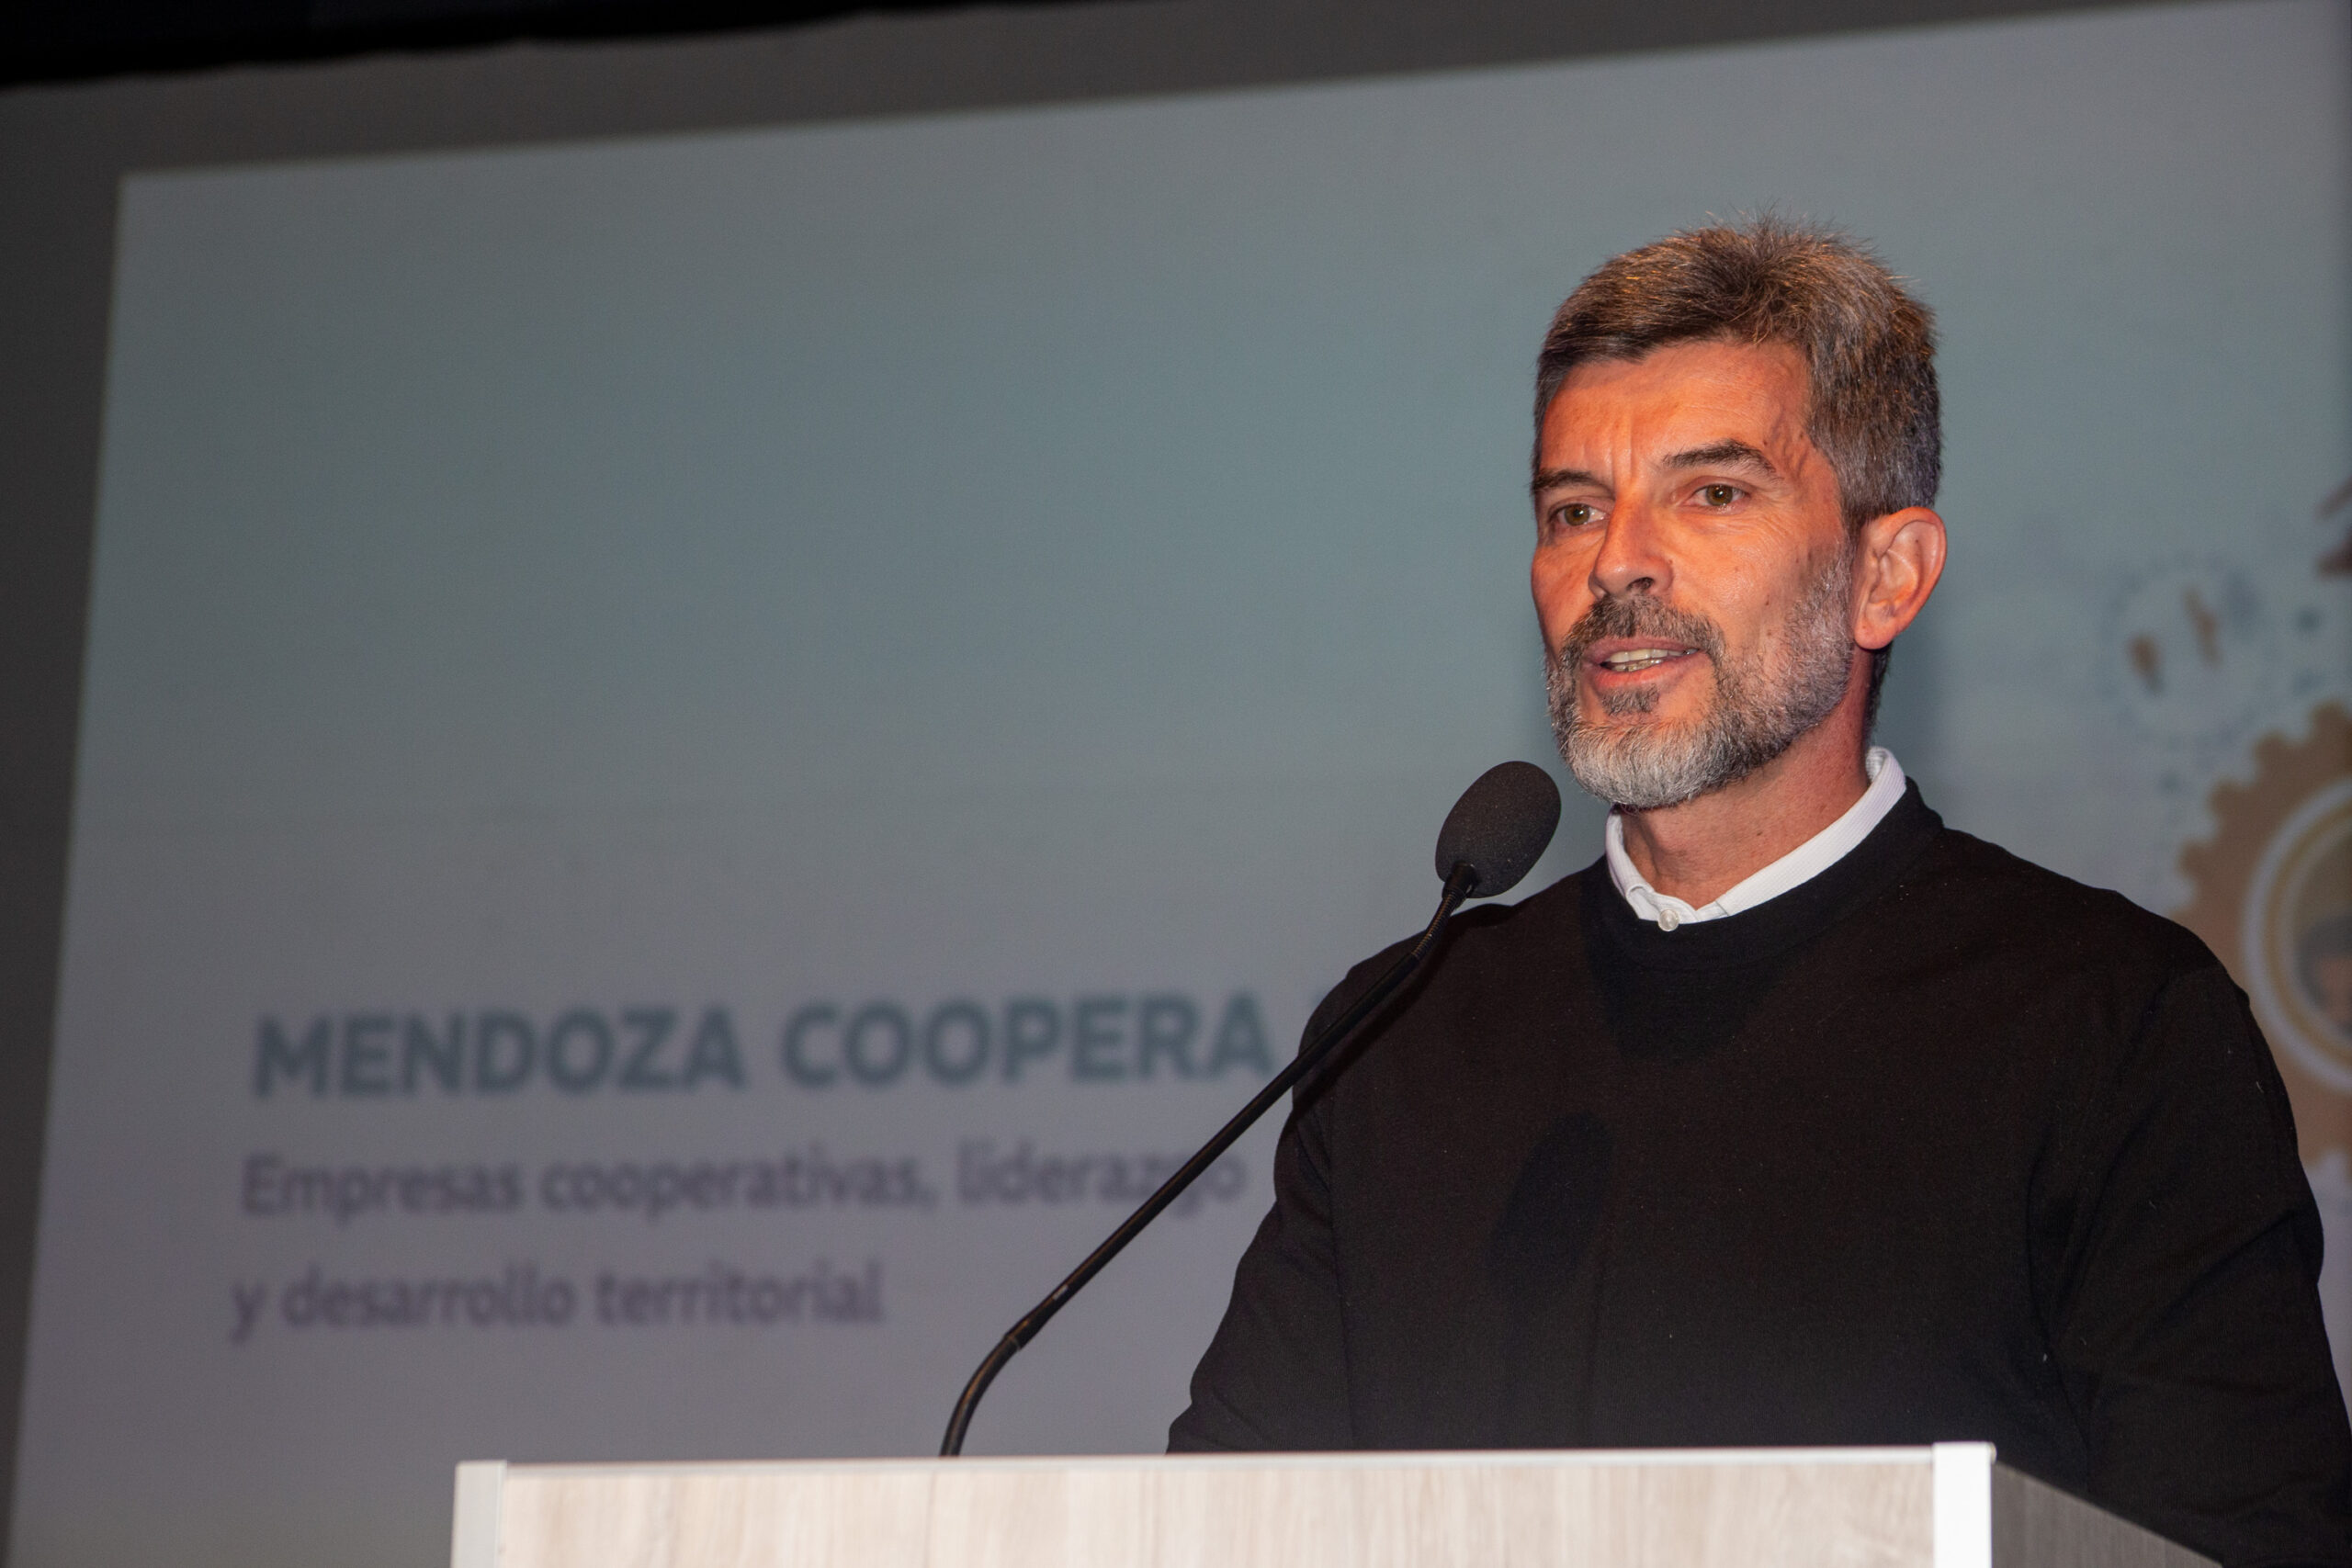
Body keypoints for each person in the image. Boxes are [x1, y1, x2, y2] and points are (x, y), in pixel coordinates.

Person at [1168, 218, 2352, 1567]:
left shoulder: (2115, 1024)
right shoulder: (1404, 1034)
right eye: (1573, 510)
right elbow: (1219, 1530)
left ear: (1886, 577)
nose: (1617, 562)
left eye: (1712, 494)